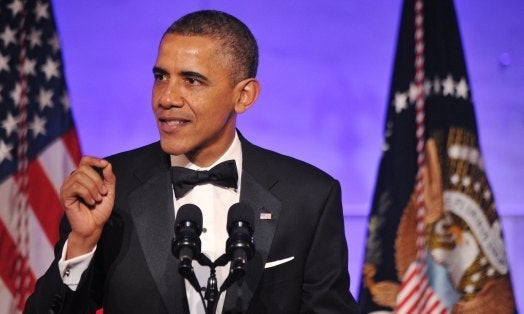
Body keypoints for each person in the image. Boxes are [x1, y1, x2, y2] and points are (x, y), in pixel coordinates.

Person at [26, 10, 358, 313]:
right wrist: (82, 243)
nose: (166, 98)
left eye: (191, 80)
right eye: (160, 76)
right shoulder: (111, 188)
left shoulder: (309, 196)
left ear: (243, 96)